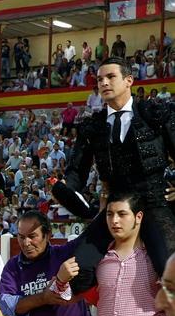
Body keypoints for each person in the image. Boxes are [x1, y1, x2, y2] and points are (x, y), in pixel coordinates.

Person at [53, 56, 175, 294]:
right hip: (115, 206)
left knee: (169, 270)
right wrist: (65, 187)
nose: (104, 83)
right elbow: (77, 171)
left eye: (111, 77)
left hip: (154, 201)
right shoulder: (92, 126)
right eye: (99, 79)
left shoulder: (155, 113)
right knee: (79, 271)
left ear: (128, 80)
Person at [57, 192, 169, 316]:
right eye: (110, 214)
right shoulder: (97, 259)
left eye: (122, 214)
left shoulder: (157, 259)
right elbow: (67, 298)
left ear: (138, 217)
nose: (114, 221)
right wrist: (60, 280)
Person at [0, 210, 92, 316]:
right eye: (21, 237)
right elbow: (6, 306)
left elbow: (94, 237)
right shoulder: (13, 267)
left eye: (32, 236)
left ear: (47, 236)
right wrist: (43, 298)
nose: (26, 243)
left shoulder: (65, 254)